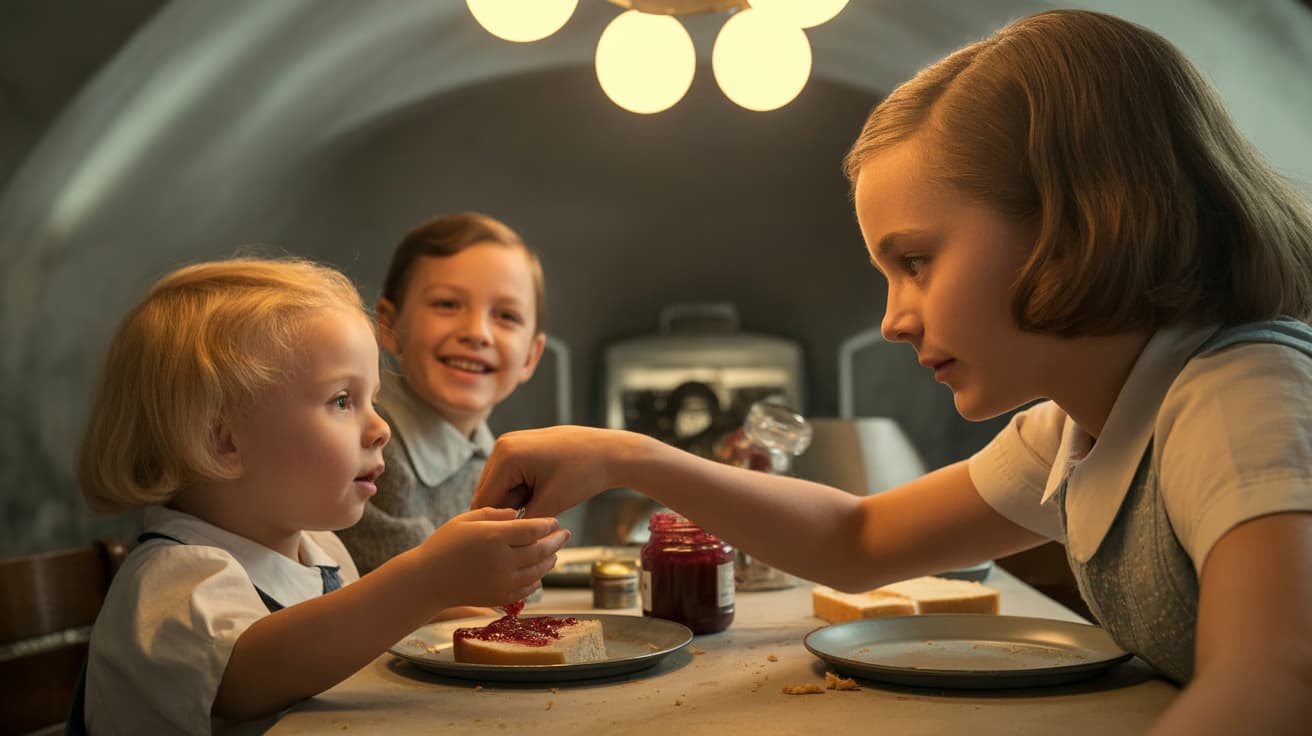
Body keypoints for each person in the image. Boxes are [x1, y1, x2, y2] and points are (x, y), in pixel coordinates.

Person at [471, 10, 1312, 735]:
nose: (892, 318)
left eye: (915, 260)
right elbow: (858, 541)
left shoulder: (1239, 397)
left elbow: (1276, 685)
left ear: (1076, 225)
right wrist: (624, 455)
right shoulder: (1078, 428)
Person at [76, 257, 567, 734]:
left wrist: (438, 603)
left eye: (372, 400)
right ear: (223, 440)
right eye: (341, 401)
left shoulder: (321, 549)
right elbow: (249, 675)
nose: (380, 429)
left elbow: (338, 637)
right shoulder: (172, 583)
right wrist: (425, 581)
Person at [336, 213, 547, 575]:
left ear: (530, 357)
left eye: (506, 316)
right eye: (448, 305)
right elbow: (417, 587)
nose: (477, 332)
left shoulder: (492, 454)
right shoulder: (373, 444)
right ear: (388, 325)